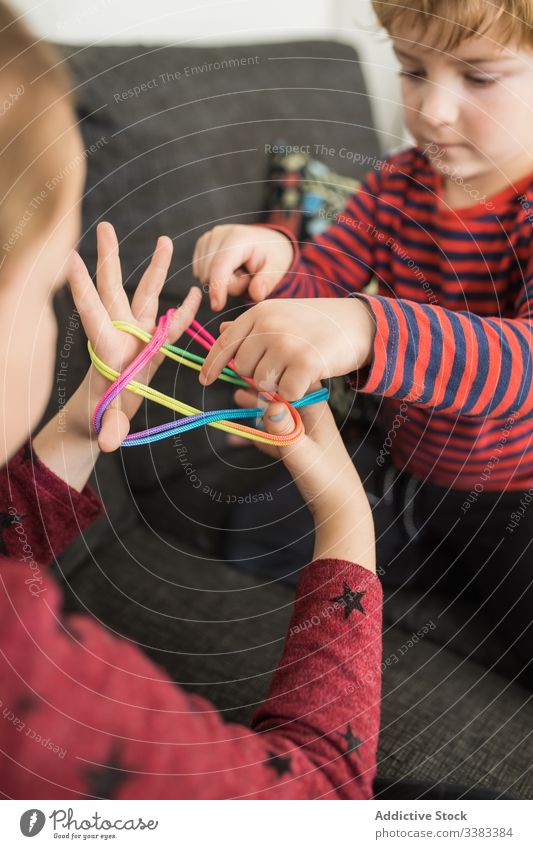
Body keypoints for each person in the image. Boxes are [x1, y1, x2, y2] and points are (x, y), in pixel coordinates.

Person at [0, 3, 382, 799]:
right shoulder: (36, 694)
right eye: (42, 294)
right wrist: (346, 519)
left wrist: (77, 420)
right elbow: (317, 804)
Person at [193, 0, 533, 683]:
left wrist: (368, 325)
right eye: (412, 70)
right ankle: (444, 569)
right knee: (253, 533)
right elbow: (321, 284)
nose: (432, 110)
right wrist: (279, 262)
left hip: (514, 496)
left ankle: (464, 575)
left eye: (478, 77)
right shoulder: (394, 185)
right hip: (401, 471)